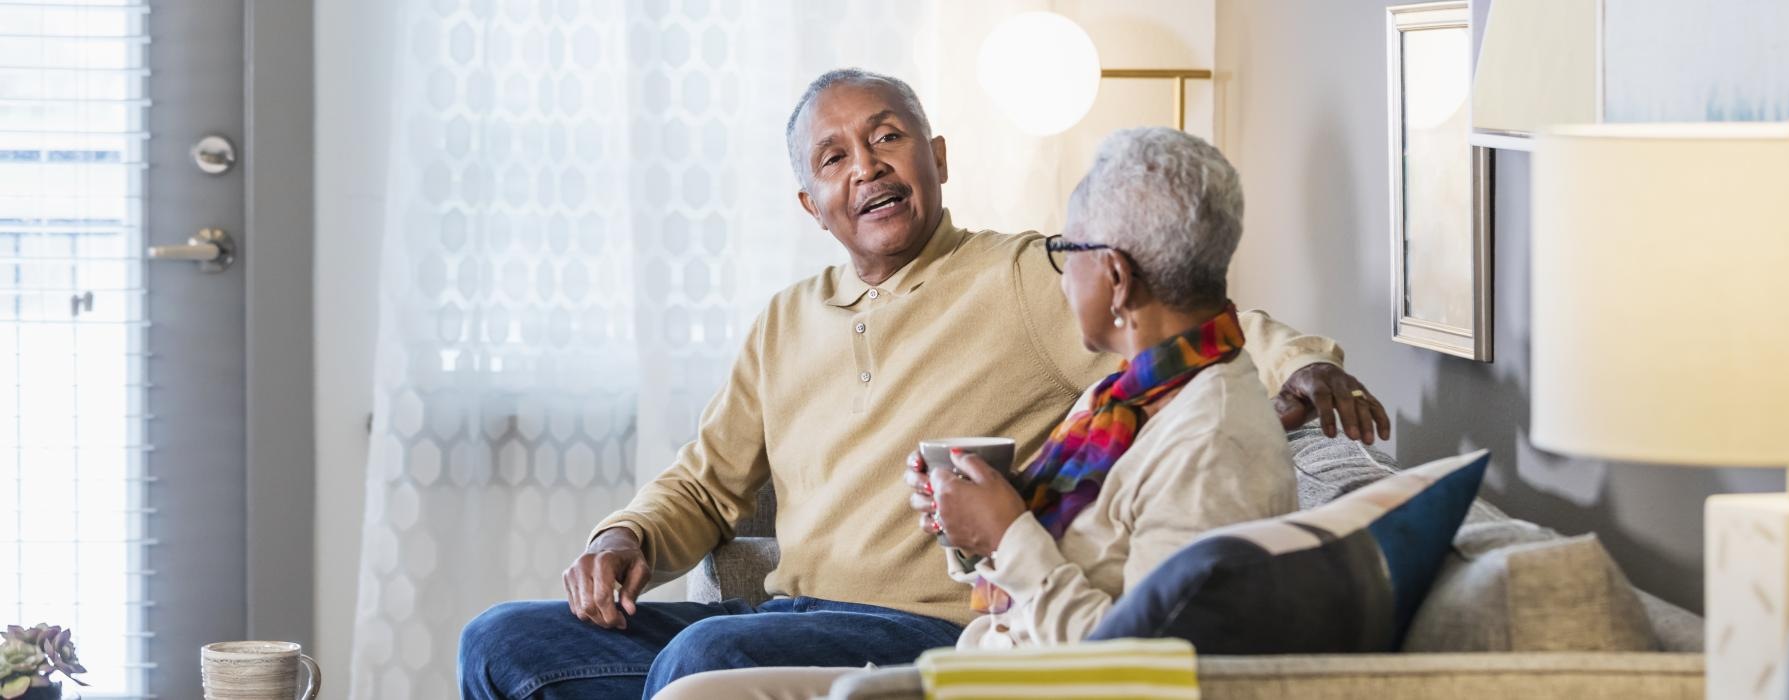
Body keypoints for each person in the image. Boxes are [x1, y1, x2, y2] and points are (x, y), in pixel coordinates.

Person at [459, 69, 1389, 700]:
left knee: (709, 654)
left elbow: (1192, 311)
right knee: (500, 640)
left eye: (888, 138)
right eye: (835, 158)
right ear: (810, 204)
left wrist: (1307, 360)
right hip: (787, 619)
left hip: (924, 630)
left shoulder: (1028, 276)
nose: (866, 166)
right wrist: (622, 536)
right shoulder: (784, 319)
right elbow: (704, 483)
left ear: (936, 159)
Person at [654, 127, 1297, 699]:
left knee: (699, 674)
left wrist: (1007, 534)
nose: (1061, 275)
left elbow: (1146, 673)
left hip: (1009, 679)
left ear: (1117, 279)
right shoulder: (1132, 399)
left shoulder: (1208, 439)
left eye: (1067, 253)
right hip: (986, 660)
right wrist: (972, 525)